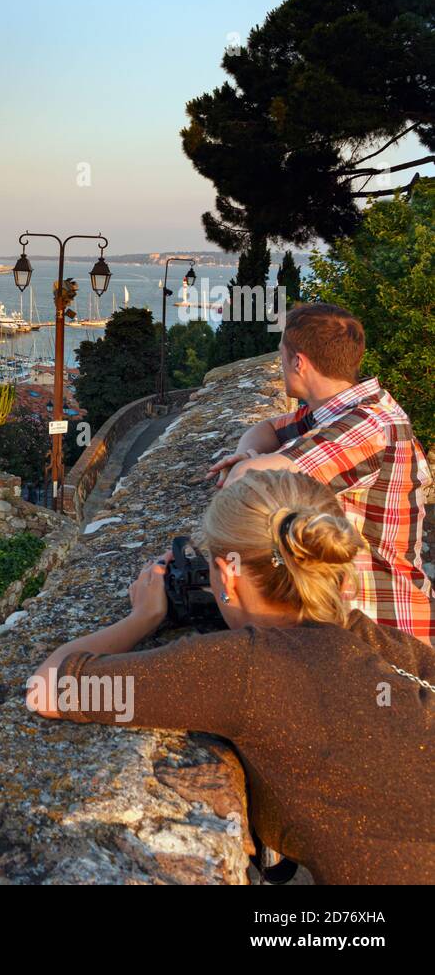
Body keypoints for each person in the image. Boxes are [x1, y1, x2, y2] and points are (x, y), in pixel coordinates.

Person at [29, 470, 434, 884]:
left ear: (228, 575)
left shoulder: (245, 666)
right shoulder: (394, 647)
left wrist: (142, 617)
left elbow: (50, 688)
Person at [206, 302, 433, 644]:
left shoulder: (370, 425)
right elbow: (267, 428)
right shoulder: (335, 411)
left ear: (298, 362)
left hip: (384, 623)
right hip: (357, 614)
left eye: (281, 356)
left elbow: (246, 483)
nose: (280, 365)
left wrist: (247, 464)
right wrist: (246, 453)